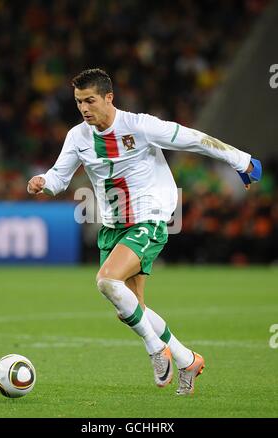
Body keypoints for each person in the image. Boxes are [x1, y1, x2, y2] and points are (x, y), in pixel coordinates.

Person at [27, 68, 262, 395]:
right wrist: (43, 183)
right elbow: (59, 177)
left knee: (107, 281)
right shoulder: (78, 137)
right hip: (112, 227)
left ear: (109, 97)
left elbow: (192, 138)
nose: (84, 108)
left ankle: (156, 350)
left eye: (90, 100)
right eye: (79, 101)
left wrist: (242, 160)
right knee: (131, 310)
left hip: (149, 219)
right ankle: (187, 359)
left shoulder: (140, 126)